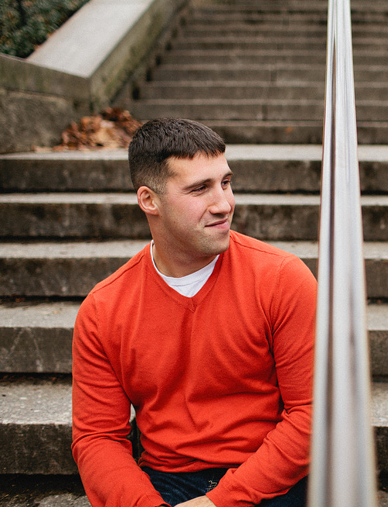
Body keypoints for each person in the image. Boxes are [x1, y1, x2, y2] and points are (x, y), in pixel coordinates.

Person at [72, 118, 317, 507]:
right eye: (199, 189)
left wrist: (220, 502)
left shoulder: (283, 279)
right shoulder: (103, 309)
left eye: (226, 182)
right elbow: (97, 437)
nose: (224, 203)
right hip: (165, 481)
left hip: (271, 474)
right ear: (149, 200)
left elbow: (311, 414)